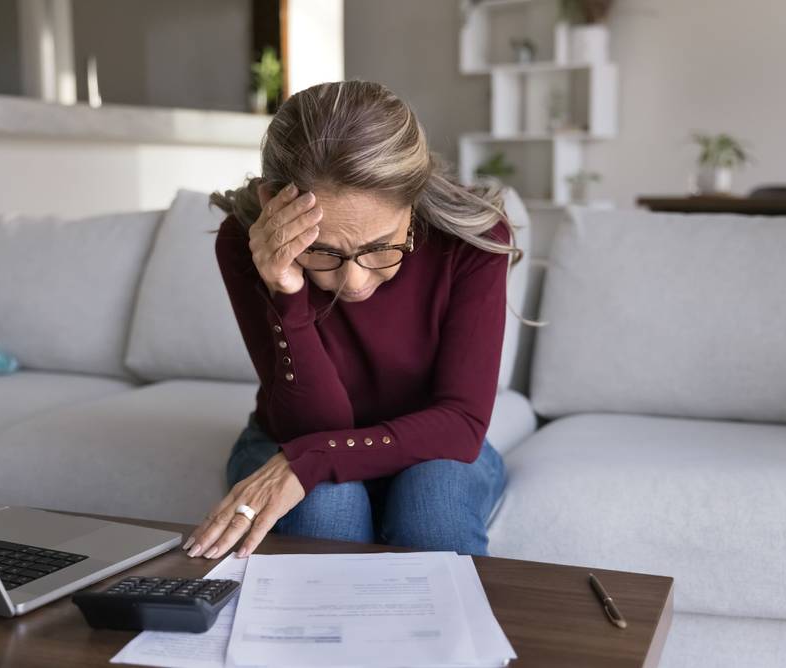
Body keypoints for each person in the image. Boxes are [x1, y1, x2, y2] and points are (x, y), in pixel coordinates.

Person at [182, 80, 533, 562]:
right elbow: (319, 424)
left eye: (380, 247)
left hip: (431, 443)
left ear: (414, 200)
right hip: (293, 433)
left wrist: (309, 462)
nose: (355, 282)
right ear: (272, 205)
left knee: (435, 512)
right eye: (323, 251)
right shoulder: (246, 243)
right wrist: (287, 291)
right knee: (325, 509)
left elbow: (460, 424)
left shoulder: (472, 238)